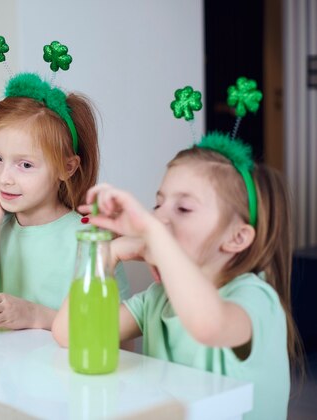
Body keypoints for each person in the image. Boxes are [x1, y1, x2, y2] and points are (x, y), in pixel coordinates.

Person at [52, 133, 303, 419]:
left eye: (183, 208)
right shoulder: (157, 299)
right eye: (158, 205)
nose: (159, 218)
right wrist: (109, 254)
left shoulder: (256, 298)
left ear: (237, 238)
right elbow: (70, 335)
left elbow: (208, 324)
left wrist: (153, 232)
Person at [0, 73, 130, 330]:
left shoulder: (90, 239)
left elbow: (121, 339)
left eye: (25, 164)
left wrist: (36, 316)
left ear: (66, 168)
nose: (4, 178)